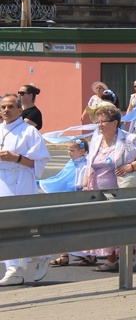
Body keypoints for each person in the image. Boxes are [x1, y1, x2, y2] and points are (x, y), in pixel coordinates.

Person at [85, 104, 136, 271]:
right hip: (98, 190)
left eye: (103, 121)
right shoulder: (96, 140)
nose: (100, 125)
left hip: (119, 189)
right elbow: (89, 164)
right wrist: (86, 183)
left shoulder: (129, 139)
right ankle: (111, 257)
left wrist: (130, 166)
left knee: (121, 222)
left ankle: (129, 252)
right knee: (104, 224)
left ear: (115, 123)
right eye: (98, 122)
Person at [0, 93, 51, 286]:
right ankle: (19, 266)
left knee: (20, 223)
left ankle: (32, 260)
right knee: (4, 225)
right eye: (3, 107)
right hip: (1, 180)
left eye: (11, 106)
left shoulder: (29, 132)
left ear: (20, 109)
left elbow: (39, 162)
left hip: (20, 180)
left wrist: (17, 158)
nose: (6, 110)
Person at [41, 137, 89, 266]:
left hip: (78, 200)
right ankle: (64, 255)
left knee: (79, 228)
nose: (69, 152)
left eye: (72, 150)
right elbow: (59, 178)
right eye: (68, 150)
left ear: (82, 150)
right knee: (62, 226)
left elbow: (79, 183)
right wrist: (45, 183)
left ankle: (89, 255)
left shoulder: (85, 164)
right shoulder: (71, 163)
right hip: (66, 199)